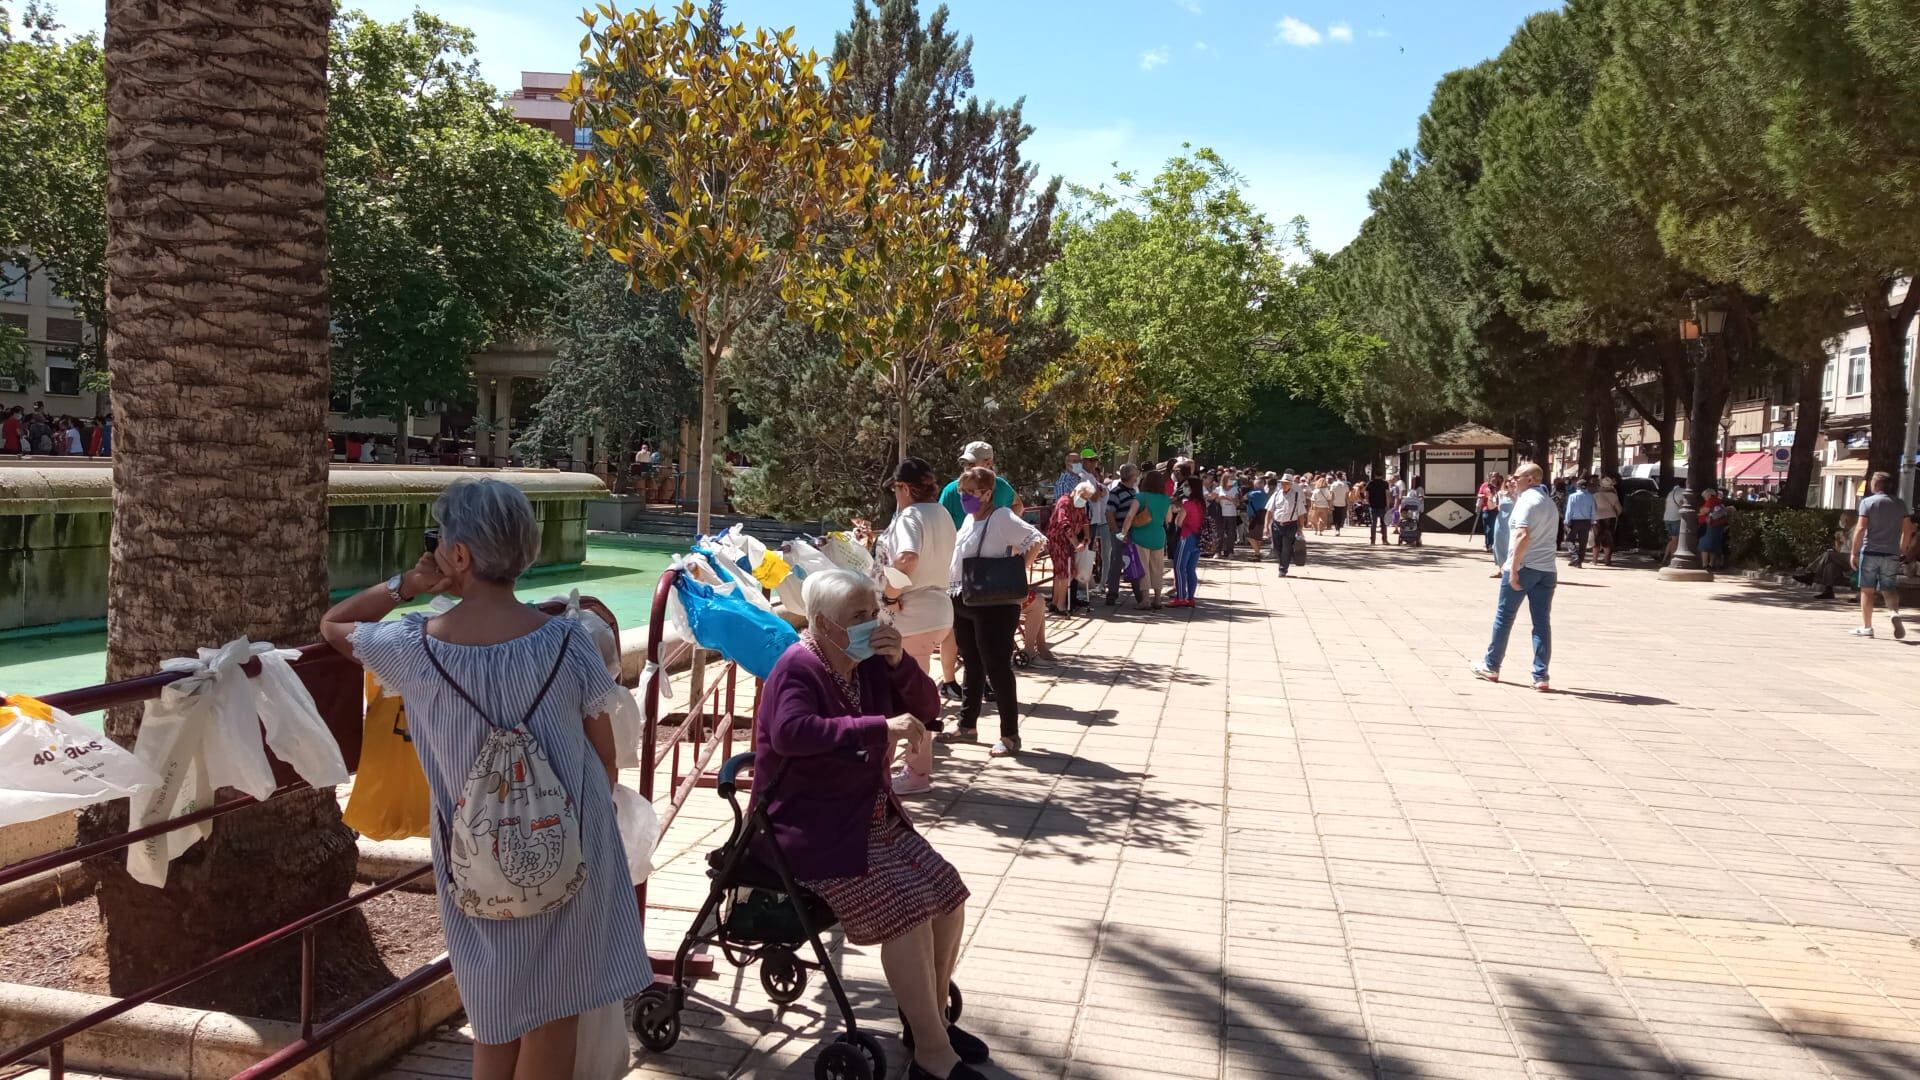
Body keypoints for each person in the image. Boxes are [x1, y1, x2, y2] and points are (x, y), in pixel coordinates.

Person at [319, 477, 650, 1079]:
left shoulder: (413, 648)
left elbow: (334, 626)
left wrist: (409, 584)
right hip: (569, 843)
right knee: (556, 1015)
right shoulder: (568, 642)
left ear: (461, 555)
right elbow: (605, 757)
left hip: (475, 855)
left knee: (495, 1015)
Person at [754, 570, 985, 1080]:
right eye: (860, 617)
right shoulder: (798, 667)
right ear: (823, 624)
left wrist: (901, 663)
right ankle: (931, 1053)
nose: (873, 623)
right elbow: (792, 732)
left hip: (867, 814)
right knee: (906, 910)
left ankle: (928, 1023)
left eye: (874, 612)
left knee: (947, 893)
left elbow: (928, 708)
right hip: (810, 829)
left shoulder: (869, 664)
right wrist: (879, 726)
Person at [949, 467, 1045, 756]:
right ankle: (967, 725)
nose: (965, 497)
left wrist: (1016, 570)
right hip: (962, 598)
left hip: (994, 604)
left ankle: (1010, 734)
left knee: (997, 667)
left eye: (970, 492)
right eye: (962, 492)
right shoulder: (968, 519)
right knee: (972, 663)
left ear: (987, 493)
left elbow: (1036, 539)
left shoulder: (1001, 516)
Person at [876, 458, 958, 796]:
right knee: (917, 693)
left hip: (913, 613)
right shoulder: (942, 513)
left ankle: (915, 772)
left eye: (896, 489)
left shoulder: (911, 516)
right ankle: (915, 769)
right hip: (938, 609)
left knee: (906, 698)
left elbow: (907, 558)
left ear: (904, 488)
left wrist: (889, 594)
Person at [935, 441, 1017, 701]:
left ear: (989, 462)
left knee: (982, 634)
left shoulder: (1001, 487)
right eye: (965, 463)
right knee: (953, 629)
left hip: (986, 571)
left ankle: (982, 684)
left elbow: (1018, 508)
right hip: (957, 568)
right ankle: (949, 681)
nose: (967, 467)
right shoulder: (952, 489)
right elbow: (940, 522)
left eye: (973, 462)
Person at [1472, 463, 1558, 692]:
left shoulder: (1527, 501)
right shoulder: (1549, 503)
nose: (1512, 480)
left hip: (1525, 566)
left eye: (1516, 477)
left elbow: (1522, 534)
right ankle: (1541, 675)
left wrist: (1515, 568)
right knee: (1541, 622)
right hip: (1547, 569)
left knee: (1504, 616)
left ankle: (1492, 666)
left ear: (1530, 479)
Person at [1849, 471, 1914, 639]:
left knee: (1867, 590)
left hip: (1870, 551)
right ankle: (1894, 613)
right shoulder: (1900, 504)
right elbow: (1908, 529)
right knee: (1889, 588)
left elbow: (1861, 528)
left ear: (1876, 485)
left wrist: (1853, 552)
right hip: (1891, 553)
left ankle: (1867, 627)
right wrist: (1902, 548)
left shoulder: (1867, 502)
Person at [1045, 480, 1093, 615]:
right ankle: (1060, 604)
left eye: (1087, 498)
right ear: (1077, 492)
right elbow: (1064, 525)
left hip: (1068, 542)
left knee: (1062, 572)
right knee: (1066, 572)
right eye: (1084, 497)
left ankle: (1055, 602)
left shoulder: (1080, 504)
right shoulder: (1064, 502)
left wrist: (1086, 538)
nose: (1085, 500)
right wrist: (1076, 543)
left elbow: (1084, 521)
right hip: (1058, 541)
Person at [1103, 464, 1144, 607]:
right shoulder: (1116, 492)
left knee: (1133, 561)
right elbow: (1109, 513)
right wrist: (1117, 533)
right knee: (1117, 562)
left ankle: (1140, 595)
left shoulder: (1133, 492)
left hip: (1132, 531)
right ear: (1131, 476)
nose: (1137, 477)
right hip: (1120, 531)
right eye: (1135, 475)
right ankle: (1112, 594)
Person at [1133, 470, 1172, 609]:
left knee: (1144, 568)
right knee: (1157, 568)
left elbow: (1131, 515)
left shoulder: (1140, 497)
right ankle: (1157, 599)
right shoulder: (1166, 499)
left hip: (1141, 535)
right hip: (1158, 535)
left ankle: (1145, 600)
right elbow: (1168, 519)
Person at [1170, 476, 1206, 605]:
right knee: (1191, 568)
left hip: (1186, 536)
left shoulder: (1188, 504)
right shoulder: (1201, 503)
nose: (1184, 488)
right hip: (1197, 538)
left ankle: (1180, 597)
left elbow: (1179, 522)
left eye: (1186, 485)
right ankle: (1191, 597)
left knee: (1179, 567)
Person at [1795, 529, 1854, 601]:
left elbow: (1855, 547)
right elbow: (1838, 550)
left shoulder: (1856, 529)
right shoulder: (1842, 532)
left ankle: (1811, 575)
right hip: (1843, 559)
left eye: (1847, 520)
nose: (1845, 523)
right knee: (1830, 562)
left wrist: (1846, 538)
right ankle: (1828, 591)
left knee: (1828, 555)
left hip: (1854, 556)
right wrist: (1837, 541)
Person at [1269, 472, 1306, 579]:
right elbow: (1269, 510)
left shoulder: (1296, 495)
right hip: (1277, 524)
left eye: (1286, 483)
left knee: (1286, 547)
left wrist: (1300, 528)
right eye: (1282, 483)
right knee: (1277, 547)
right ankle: (1286, 559)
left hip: (1290, 525)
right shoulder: (1276, 494)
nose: (1283, 485)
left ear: (1290, 484)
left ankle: (1282, 569)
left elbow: (1301, 514)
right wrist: (1267, 526)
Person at [1564, 478, 1596, 568]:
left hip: (1574, 521)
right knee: (1583, 542)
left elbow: (1569, 510)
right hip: (1586, 521)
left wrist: (1567, 521)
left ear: (1577, 486)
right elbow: (1593, 510)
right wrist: (1593, 521)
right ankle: (1579, 561)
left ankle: (1575, 557)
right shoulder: (1591, 496)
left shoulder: (1572, 496)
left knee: (1569, 539)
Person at [1698, 489, 1731, 572]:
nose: (1704, 498)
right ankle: (1711, 564)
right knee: (1714, 546)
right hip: (1718, 526)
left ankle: (1705, 565)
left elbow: (1703, 511)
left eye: (1704, 496)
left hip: (1709, 526)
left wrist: (1698, 513)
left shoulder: (1711, 500)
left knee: (1704, 546)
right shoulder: (1719, 501)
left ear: (1708, 495)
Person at [1592, 477, 1622, 565]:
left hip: (1598, 517)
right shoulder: (1613, 496)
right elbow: (1619, 509)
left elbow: (1592, 508)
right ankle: (1607, 560)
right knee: (1608, 539)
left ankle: (1594, 560)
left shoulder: (1595, 495)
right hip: (1610, 518)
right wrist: (1616, 516)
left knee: (1596, 539)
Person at [1213, 470, 1242, 556]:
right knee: (1219, 533)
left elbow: (1237, 503)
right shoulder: (1218, 489)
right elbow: (1214, 500)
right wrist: (1219, 498)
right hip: (1221, 515)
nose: (1232, 481)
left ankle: (1230, 551)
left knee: (1231, 534)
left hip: (1231, 514)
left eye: (1233, 479)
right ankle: (1217, 551)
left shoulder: (1235, 489)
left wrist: (1226, 497)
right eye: (1230, 479)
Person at [1244, 475, 1270, 559]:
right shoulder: (1265, 494)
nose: (1254, 486)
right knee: (1258, 537)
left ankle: (1257, 553)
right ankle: (1257, 553)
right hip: (1262, 516)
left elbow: (1243, 497)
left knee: (1250, 536)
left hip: (1254, 517)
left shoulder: (1254, 493)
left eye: (1255, 484)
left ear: (1259, 484)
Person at [1662, 481, 1687, 566]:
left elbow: (1665, 505)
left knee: (1672, 540)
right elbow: (1683, 505)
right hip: (1675, 518)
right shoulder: (1683, 492)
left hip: (1667, 518)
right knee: (1675, 540)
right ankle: (1672, 560)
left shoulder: (1670, 493)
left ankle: (1665, 558)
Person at [1476, 473, 1503, 552]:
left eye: (1495, 477)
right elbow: (1479, 494)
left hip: (1498, 509)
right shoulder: (1485, 485)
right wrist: (1485, 495)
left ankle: (1493, 544)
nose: (1494, 478)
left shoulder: (1501, 486)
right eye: (1492, 477)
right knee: (1488, 527)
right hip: (1486, 508)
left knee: (1496, 527)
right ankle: (1488, 544)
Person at [1367, 471, 1391, 544]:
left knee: (1373, 523)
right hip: (1382, 505)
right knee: (1384, 523)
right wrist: (1387, 505)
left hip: (1373, 505)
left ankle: (1373, 540)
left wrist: (1368, 503)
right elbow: (1387, 495)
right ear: (1382, 475)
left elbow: (1366, 494)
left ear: (1375, 475)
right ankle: (1384, 540)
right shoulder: (1385, 483)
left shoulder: (1370, 483)